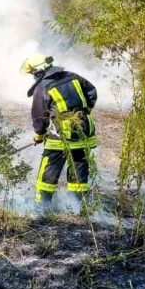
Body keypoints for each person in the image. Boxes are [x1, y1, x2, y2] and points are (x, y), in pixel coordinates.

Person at [20, 54, 98, 209]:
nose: (33, 77)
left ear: (38, 72)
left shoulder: (43, 88)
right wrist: (83, 112)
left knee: (49, 169)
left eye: (33, 74)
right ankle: (77, 207)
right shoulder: (72, 76)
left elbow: (39, 117)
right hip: (84, 131)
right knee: (79, 167)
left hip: (61, 137)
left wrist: (39, 136)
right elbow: (92, 92)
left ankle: (42, 208)